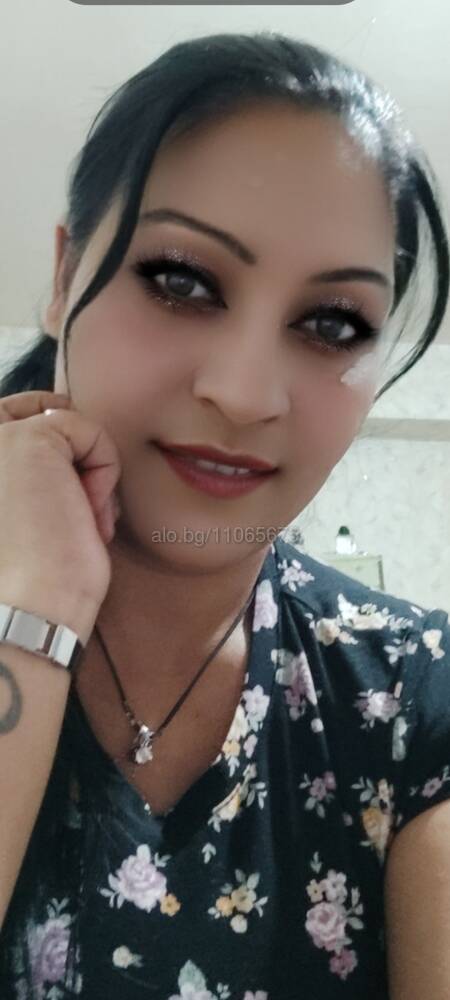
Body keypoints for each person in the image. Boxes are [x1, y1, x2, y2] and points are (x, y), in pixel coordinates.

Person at [0, 30, 449, 1000]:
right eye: (182, 280)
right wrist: (31, 613)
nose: (245, 395)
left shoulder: (416, 692)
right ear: (65, 278)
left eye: (332, 323)